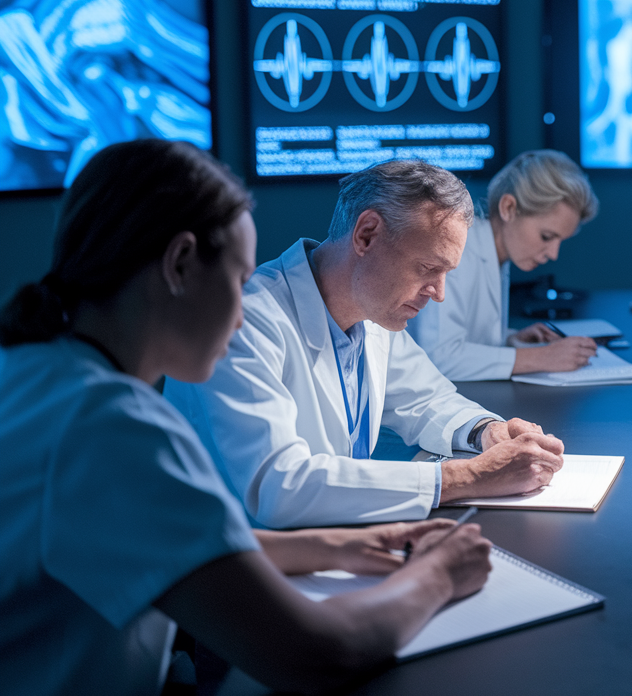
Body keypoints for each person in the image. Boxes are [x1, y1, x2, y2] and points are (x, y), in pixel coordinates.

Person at [0, 140, 493, 694]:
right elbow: (319, 655)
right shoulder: (112, 428)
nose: (244, 309)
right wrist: (439, 573)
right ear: (180, 265)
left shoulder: (39, 375)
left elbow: (153, 538)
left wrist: (341, 546)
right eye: (237, 281)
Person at [166, 160, 566, 529]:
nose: (439, 293)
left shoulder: (372, 313)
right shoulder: (246, 323)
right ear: (367, 234)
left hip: (331, 543)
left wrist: (487, 431)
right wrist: (471, 476)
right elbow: (279, 487)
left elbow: (428, 399)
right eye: (428, 268)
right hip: (236, 572)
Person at [409, 150, 600, 381]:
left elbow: (467, 336)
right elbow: (439, 356)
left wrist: (510, 339)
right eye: (547, 237)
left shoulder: (497, 255)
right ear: (508, 208)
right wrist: (540, 357)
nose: (553, 254)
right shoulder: (459, 253)